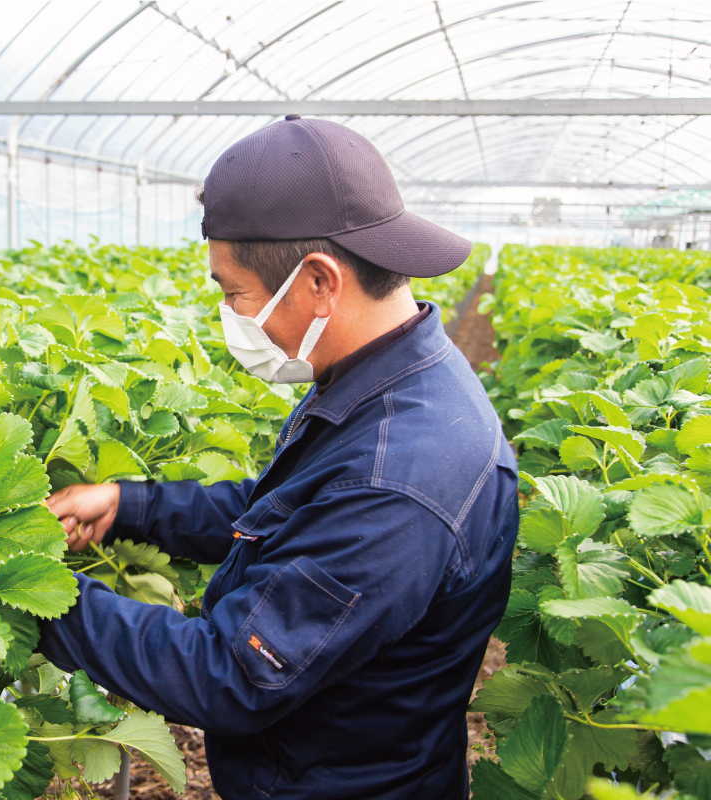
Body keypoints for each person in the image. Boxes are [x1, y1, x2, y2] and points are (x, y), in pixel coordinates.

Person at [39, 116, 519, 799]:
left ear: (319, 280)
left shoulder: (400, 478)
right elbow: (286, 513)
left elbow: (231, 674)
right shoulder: (385, 382)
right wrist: (128, 504)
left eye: (233, 293)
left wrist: (36, 594)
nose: (231, 314)